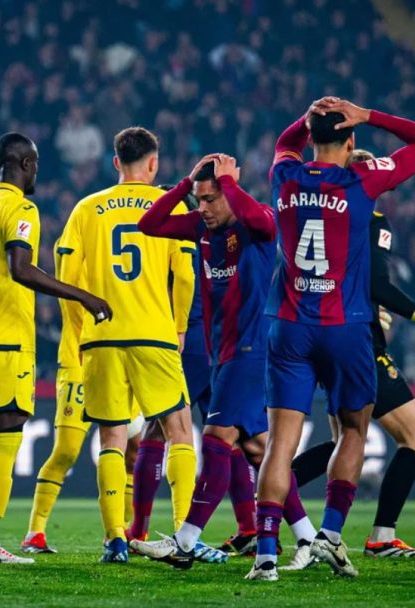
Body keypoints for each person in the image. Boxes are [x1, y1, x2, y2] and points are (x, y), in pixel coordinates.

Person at [252, 97, 415, 581]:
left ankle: (266, 556)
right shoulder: (363, 180)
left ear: (312, 138)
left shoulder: (284, 177)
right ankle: (331, 535)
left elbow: (285, 143)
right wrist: (369, 115)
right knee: (353, 431)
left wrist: (308, 118)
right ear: (351, 141)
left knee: (279, 445)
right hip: (345, 327)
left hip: (289, 325)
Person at [131, 154, 317, 570]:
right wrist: (184, 186)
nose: (203, 209)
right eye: (199, 200)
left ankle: (185, 541)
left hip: (251, 350)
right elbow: (149, 224)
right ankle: (310, 536)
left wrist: (230, 185)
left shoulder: (257, 223)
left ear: (230, 193)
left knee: (215, 440)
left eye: (211, 199)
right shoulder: (201, 227)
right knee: (258, 449)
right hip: (224, 353)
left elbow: (262, 221)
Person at [0, 132, 111, 564]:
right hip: (7, 339)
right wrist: (82, 296)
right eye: (36, 166)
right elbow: (21, 268)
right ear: (26, 164)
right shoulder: (22, 209)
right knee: (8, 433)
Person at [290, 149, 415, 560]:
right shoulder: (372, 221)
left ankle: (273, 493)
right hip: (360, 343)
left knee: (343, 440)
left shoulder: (318, 215)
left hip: (318, 334)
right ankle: (381, 534)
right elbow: (377, 284)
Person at [56, 127, 197, 563]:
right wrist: (179, 328)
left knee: (112, 439)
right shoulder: (169, 205)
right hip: (154, 333)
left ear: (116, 162)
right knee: (179, 430)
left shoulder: (86, 208)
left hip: (101, 337)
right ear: (153, 164)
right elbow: (186, 275)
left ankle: (115, 539)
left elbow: (66, 279)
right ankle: (184, 535)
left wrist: (79, 331)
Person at [20, 239, 146, 553]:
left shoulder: (126, 248)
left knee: (133, 450)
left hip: (123, 357)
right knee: (66, 451)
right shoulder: (74, 243)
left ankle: (120, 531)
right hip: (78, 360)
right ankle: (35, 531)